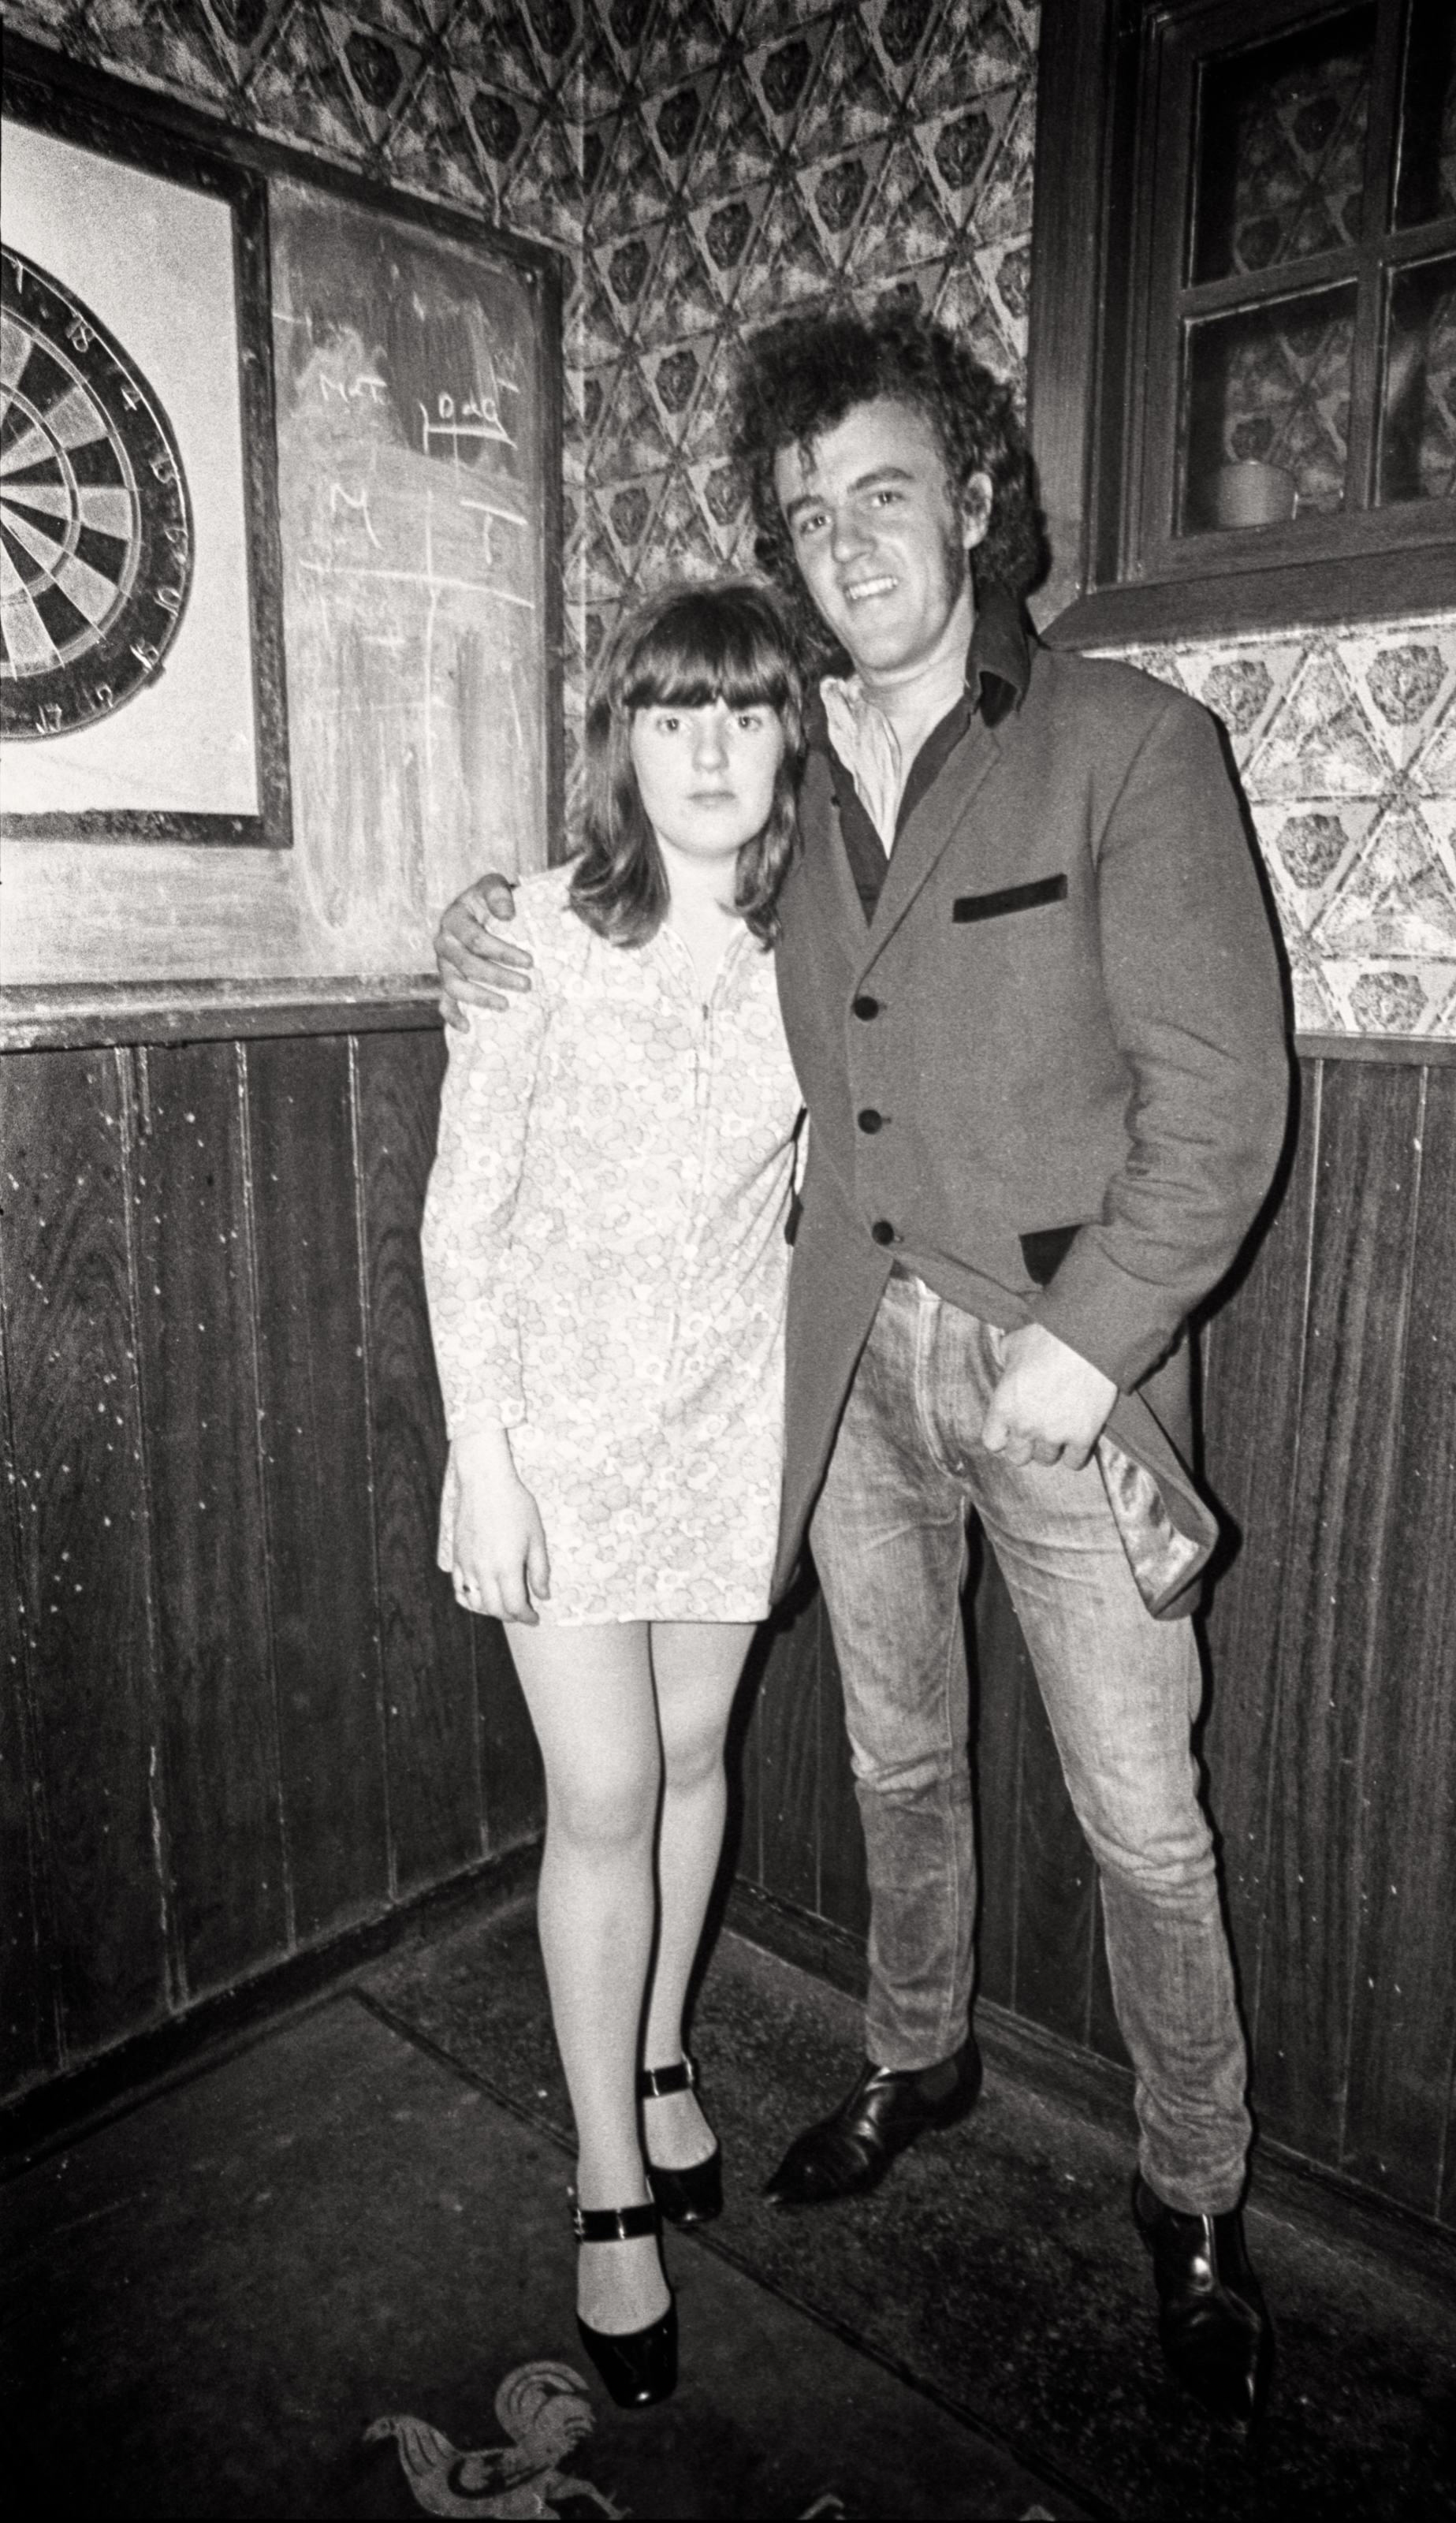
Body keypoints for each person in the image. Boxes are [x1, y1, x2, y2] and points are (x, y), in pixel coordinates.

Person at [436, 304, 1291, 2430]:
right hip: (826, 1387)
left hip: (1063, 1387)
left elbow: (1227, 1107)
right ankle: (921, 2058)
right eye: (812, 518)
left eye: (888, 495)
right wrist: (482, 922)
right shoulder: (791, 782)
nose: (852, 545)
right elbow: (638, 893)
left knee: (1144, 1819)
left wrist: (1093, 1353)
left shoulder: (1133, 746)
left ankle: (1193, 2200)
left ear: (980, 500)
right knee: (899, 1765)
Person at [420, 580, 804, 2411]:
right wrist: (478, 1448)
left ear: (788, 738)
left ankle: (658, 2051)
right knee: (603, 1788)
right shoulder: (535, 936)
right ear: (622, 741)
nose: (709, 748)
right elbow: (457, 1215)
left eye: (741, 711)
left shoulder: (828, 942)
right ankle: (604, 2180)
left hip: (732, 1420)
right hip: (559, 1436)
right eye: (672, 714)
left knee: (695, 1746)